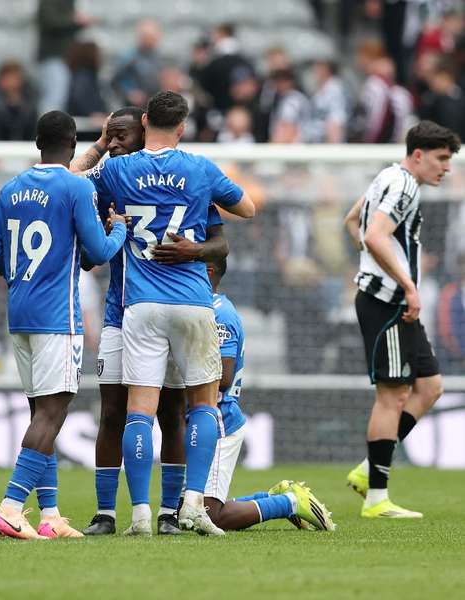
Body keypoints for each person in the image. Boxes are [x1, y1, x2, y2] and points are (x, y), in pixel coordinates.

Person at [88, 91, 255, 536]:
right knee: (201, 405)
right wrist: (196, 233)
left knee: (139, 412)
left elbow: (73, 179)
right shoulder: (200, 168)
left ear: (145, 122)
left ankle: (140, 513)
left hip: (140, 305)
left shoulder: (119, 169)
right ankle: (194, 505)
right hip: (193, 302)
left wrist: (102, 146)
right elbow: (248, 208)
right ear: (182, 127)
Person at [0, 110, 127, 540]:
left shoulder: (12, 187)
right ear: (73, 145)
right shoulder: (77, 187)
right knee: (52, 412)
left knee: (39, 413)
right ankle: (10, 506)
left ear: (36, 143)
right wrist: (117, 231)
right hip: (57, 317)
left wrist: (19, 272)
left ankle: (49, 514)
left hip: (20, 313)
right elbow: (97, 251)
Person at [343, 120, 459, 518]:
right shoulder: (405, 184)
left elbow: (353, 220)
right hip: (387, 303)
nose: (446, 168)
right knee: (393, 395)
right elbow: (375, 235)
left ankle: (368, 468)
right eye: (442, 159)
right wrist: (406, 284)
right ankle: (376, 498)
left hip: (393, 302)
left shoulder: (387, 176)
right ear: (418, 155)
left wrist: (373, 264)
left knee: (430, 387)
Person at [186, 256, 334, 532]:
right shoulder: (196, 308)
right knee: (184, 511)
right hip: (197, 421)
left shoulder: (220, 312)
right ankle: (270, 498)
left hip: (219, 422)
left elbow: (223, 378)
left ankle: (289, 503)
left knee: (209, 517)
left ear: (207, 272)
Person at [111, 20, 165, 109]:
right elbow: (114, 81)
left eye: (155, 37)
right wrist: (129, 93)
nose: (154, 41)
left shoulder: (157, 57)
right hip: (133, 108)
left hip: (153, 105)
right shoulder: (129, 57)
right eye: (150, 37)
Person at [0, 61, 39, 142]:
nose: (10, 82)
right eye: (7, 78)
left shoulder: (30, 105)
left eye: (14, 78)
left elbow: (33, 135)